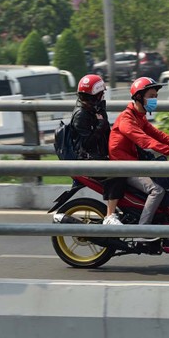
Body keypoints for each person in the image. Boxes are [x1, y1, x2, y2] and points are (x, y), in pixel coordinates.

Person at [109, 77, 169, 238]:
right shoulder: (127, 119)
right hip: (124, 166)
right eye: (151, 96)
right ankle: (143, 230)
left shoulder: (140, 117)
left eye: (155, 96)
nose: (154, 100)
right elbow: (144, 140)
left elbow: (158, 135)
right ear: (139, 97)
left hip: (136, 163)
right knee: (157, 189)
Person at [71, 74, 124, 225]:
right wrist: (100, 127)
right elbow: (86, 143)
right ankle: (110, 216)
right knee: (120, 172)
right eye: (101, 94)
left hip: (98, 156)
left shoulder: (95, 109)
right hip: (87, 160)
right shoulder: (81, 115)